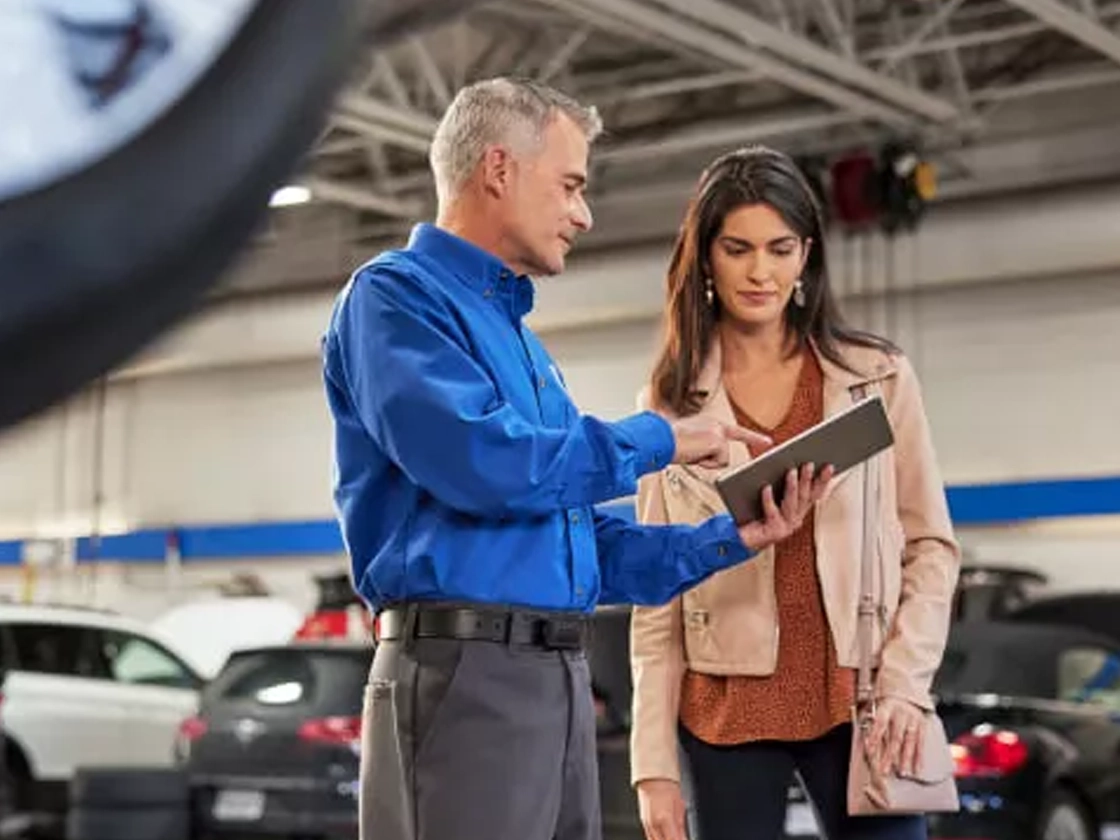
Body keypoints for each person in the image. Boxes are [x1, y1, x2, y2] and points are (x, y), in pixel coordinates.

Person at [320, 80, 832, 840]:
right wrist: (658, 439)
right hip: (464, 677)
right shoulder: (394, 300)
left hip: (557, 676)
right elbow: (486, 466)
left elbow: (574, 540)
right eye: (570, 185)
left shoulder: (524, 345)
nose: (583, 214)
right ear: (498, 169)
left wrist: (729, 535)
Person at [629, 145, 961, 840]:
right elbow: (657, 595)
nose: (760, 271)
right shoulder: (668, 409)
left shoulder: (878, 377)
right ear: (707, 260)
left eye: (780, 249)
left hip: (862, 697)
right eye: (738, 248)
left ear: (807, 256)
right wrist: (652, 766)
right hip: (722, 711)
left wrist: (906, 683)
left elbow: (930, 546)